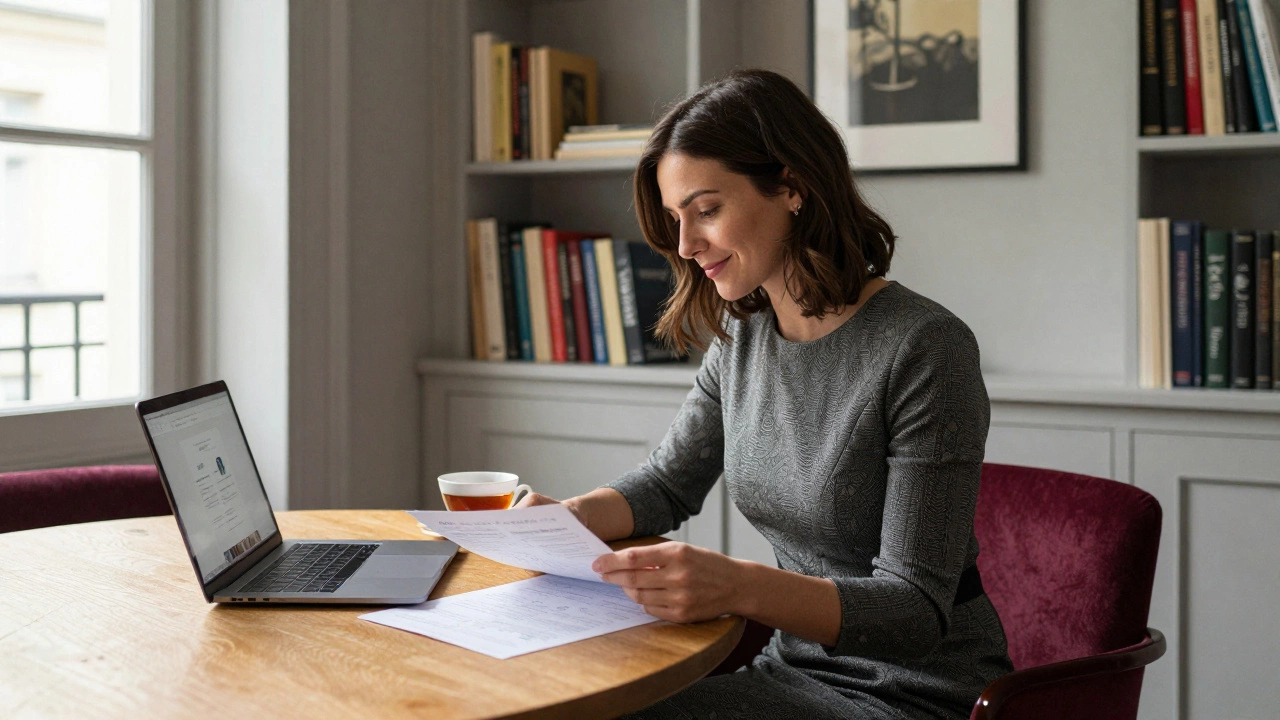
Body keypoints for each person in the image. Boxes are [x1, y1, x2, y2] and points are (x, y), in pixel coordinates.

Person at [514, 68, 1013, 720]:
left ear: (792, 187)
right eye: (675, 219)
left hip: (918, 696)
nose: (687, 246)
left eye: (707, 210)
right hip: (789, 674)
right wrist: (564, 520)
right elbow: (668, 484)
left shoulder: (926, 348)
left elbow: (915, 608)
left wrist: (739, 586)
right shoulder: (744, 341)